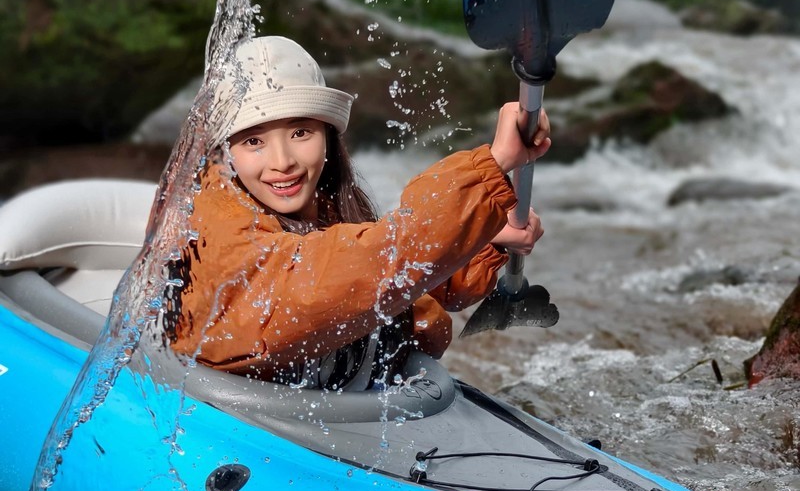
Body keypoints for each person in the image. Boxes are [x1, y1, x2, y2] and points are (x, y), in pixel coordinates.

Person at [169, 36, 549, 390]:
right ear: (224, 153)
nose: (282, 162)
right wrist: (491, 168)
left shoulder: (326, 205)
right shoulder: (211, 225)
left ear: (327, 136)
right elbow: (322, 286)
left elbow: (394, 279)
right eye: (254, 141)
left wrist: (482, 234)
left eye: (301, 133)